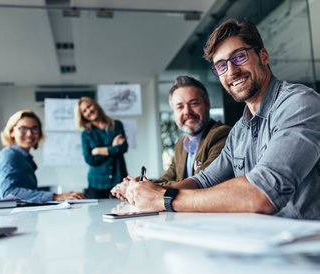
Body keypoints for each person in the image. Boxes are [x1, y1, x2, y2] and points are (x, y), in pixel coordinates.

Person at [124, 18, 320, 220]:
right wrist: (146, 191)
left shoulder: (299, 104)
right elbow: (205, 180)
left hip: (306, 246)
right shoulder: (239, 131)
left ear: (263, 56)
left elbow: (262, 193)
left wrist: (165, 199)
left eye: (239, 57)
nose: (232, 71)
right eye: (221, 66)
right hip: (261, 241)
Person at [111, 76, 230, 199]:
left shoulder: (220, 135)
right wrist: (139, 184)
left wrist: (140, 189)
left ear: (207, 104)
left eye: (194, 103)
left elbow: (202, 181)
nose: (187, 112)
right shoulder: (181, 143)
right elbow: (168, 178)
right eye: (179, 106)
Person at [0, 109, 85, 203]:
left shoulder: (24, 158)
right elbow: (9, 193)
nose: (29, 134)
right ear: (12, 132)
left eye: (34, 129)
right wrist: (55, 196)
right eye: (23, 128)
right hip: (6, 216)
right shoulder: (9, 156)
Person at [75, 97, 128, 199]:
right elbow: (90, 159)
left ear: (95, 105)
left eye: (89, 106)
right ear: (82, 116)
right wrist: (112, 147)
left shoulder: (117, 125)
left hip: (119, 178)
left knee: (123, 211)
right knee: (95, 214)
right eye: (84, 111)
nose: (88, 111)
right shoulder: (86, 134)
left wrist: (98, 150)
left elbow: (123, 148)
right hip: (96, 183)